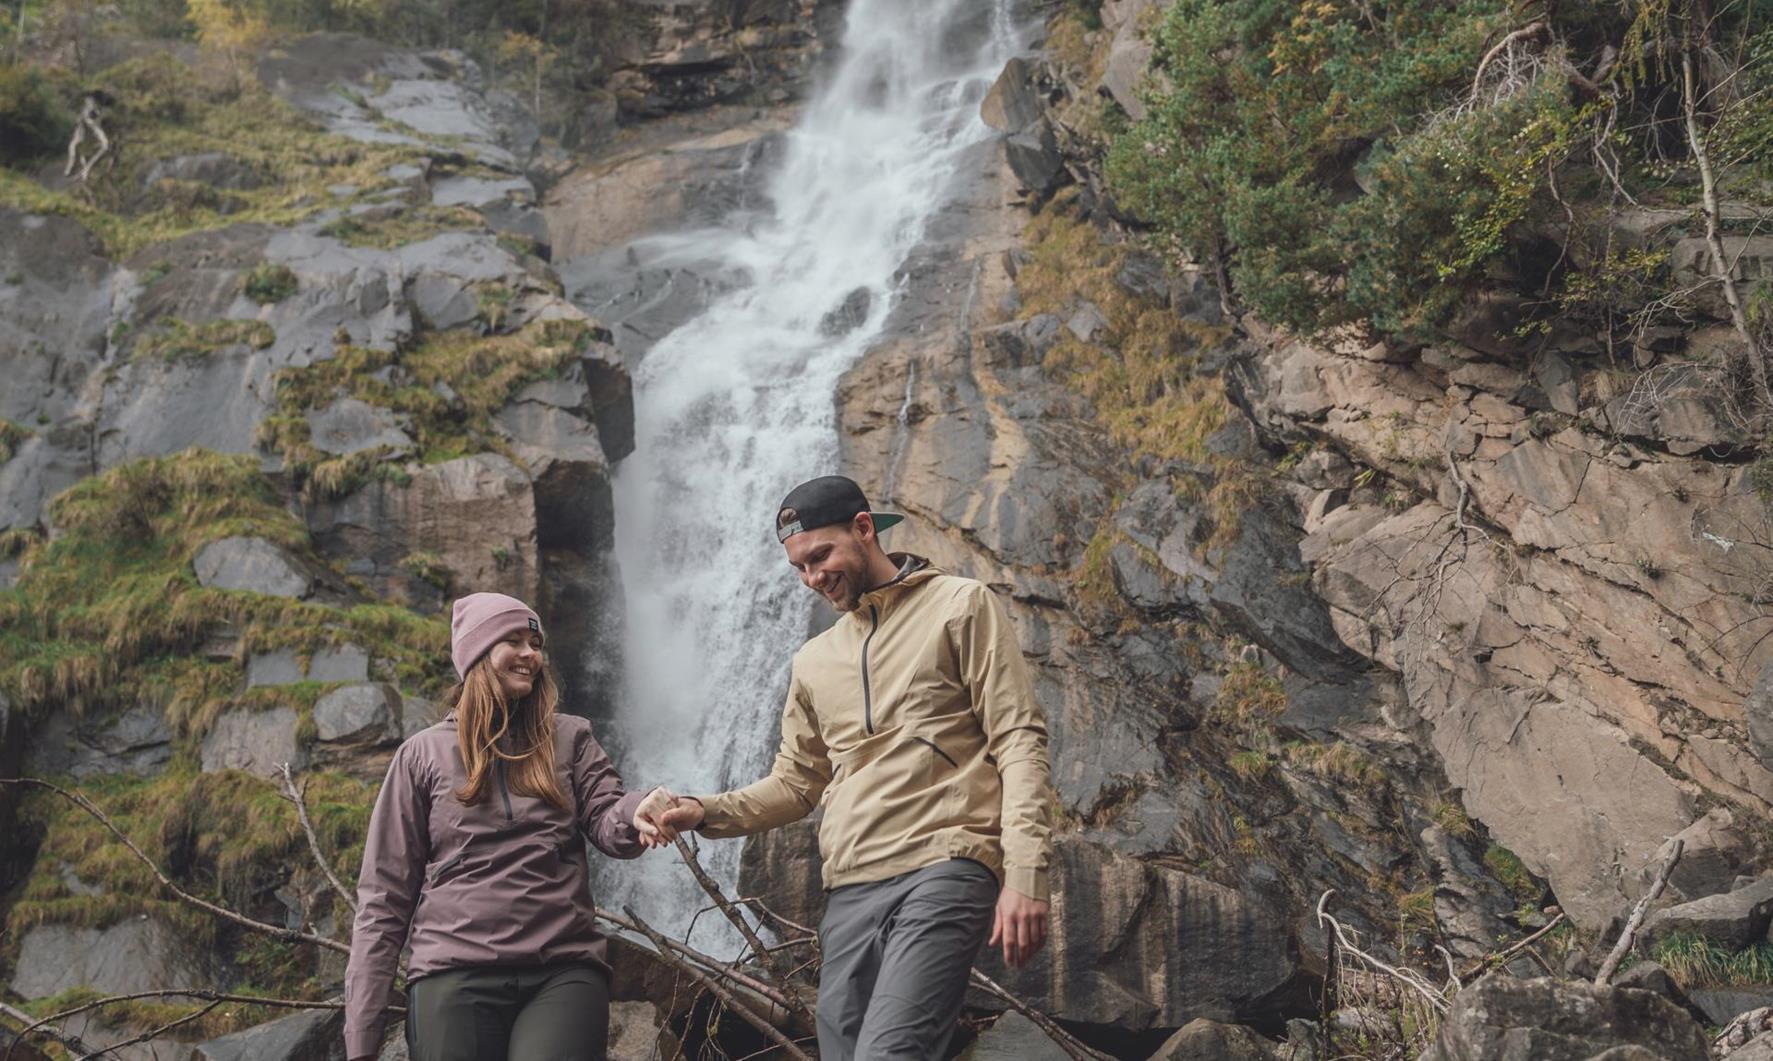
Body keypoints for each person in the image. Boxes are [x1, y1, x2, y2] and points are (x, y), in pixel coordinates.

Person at [638, 474, 1055, 1060]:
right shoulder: (814, 660)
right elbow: (796, 783)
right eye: (799, 569)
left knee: (891, 1052)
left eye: (820, 555)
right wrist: (704, 810)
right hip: (852, 885)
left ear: (865, 529)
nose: (812, 578)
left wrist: (1025, 873)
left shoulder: (960, 606)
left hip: (947, 862)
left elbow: (1018, 738)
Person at [344, 592, 668, 1061]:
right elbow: (383, 899)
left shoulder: (570, 737)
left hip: (561, 967)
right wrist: (361, 1040)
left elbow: (607, 815)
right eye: (512, 640)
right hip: (452, 970)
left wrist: (637, 810)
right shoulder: (421, 755)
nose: (530, 654)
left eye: (535, 643)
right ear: (477, 654)